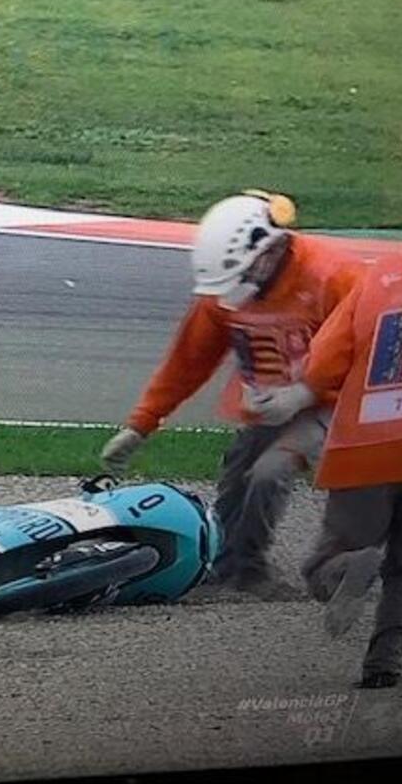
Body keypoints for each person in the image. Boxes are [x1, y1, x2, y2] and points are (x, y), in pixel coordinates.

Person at [100, 190, 363, 597]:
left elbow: (366, 350)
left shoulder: (335, 277)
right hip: (267, 401)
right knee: (238, 475)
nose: (236, 290)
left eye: (242, 275)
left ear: (271, 249)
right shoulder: (223, 294)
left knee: (269, 472)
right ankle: (219, 564)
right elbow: (188, 361)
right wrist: (140, 425)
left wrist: (305, 394)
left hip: (334, 402)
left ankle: (251, 571)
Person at [254, 160, 402, 688]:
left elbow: (323, 363)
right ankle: (385, 660)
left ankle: (350, 566)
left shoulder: (384, 275)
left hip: (366, 449)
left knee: (324, 563)